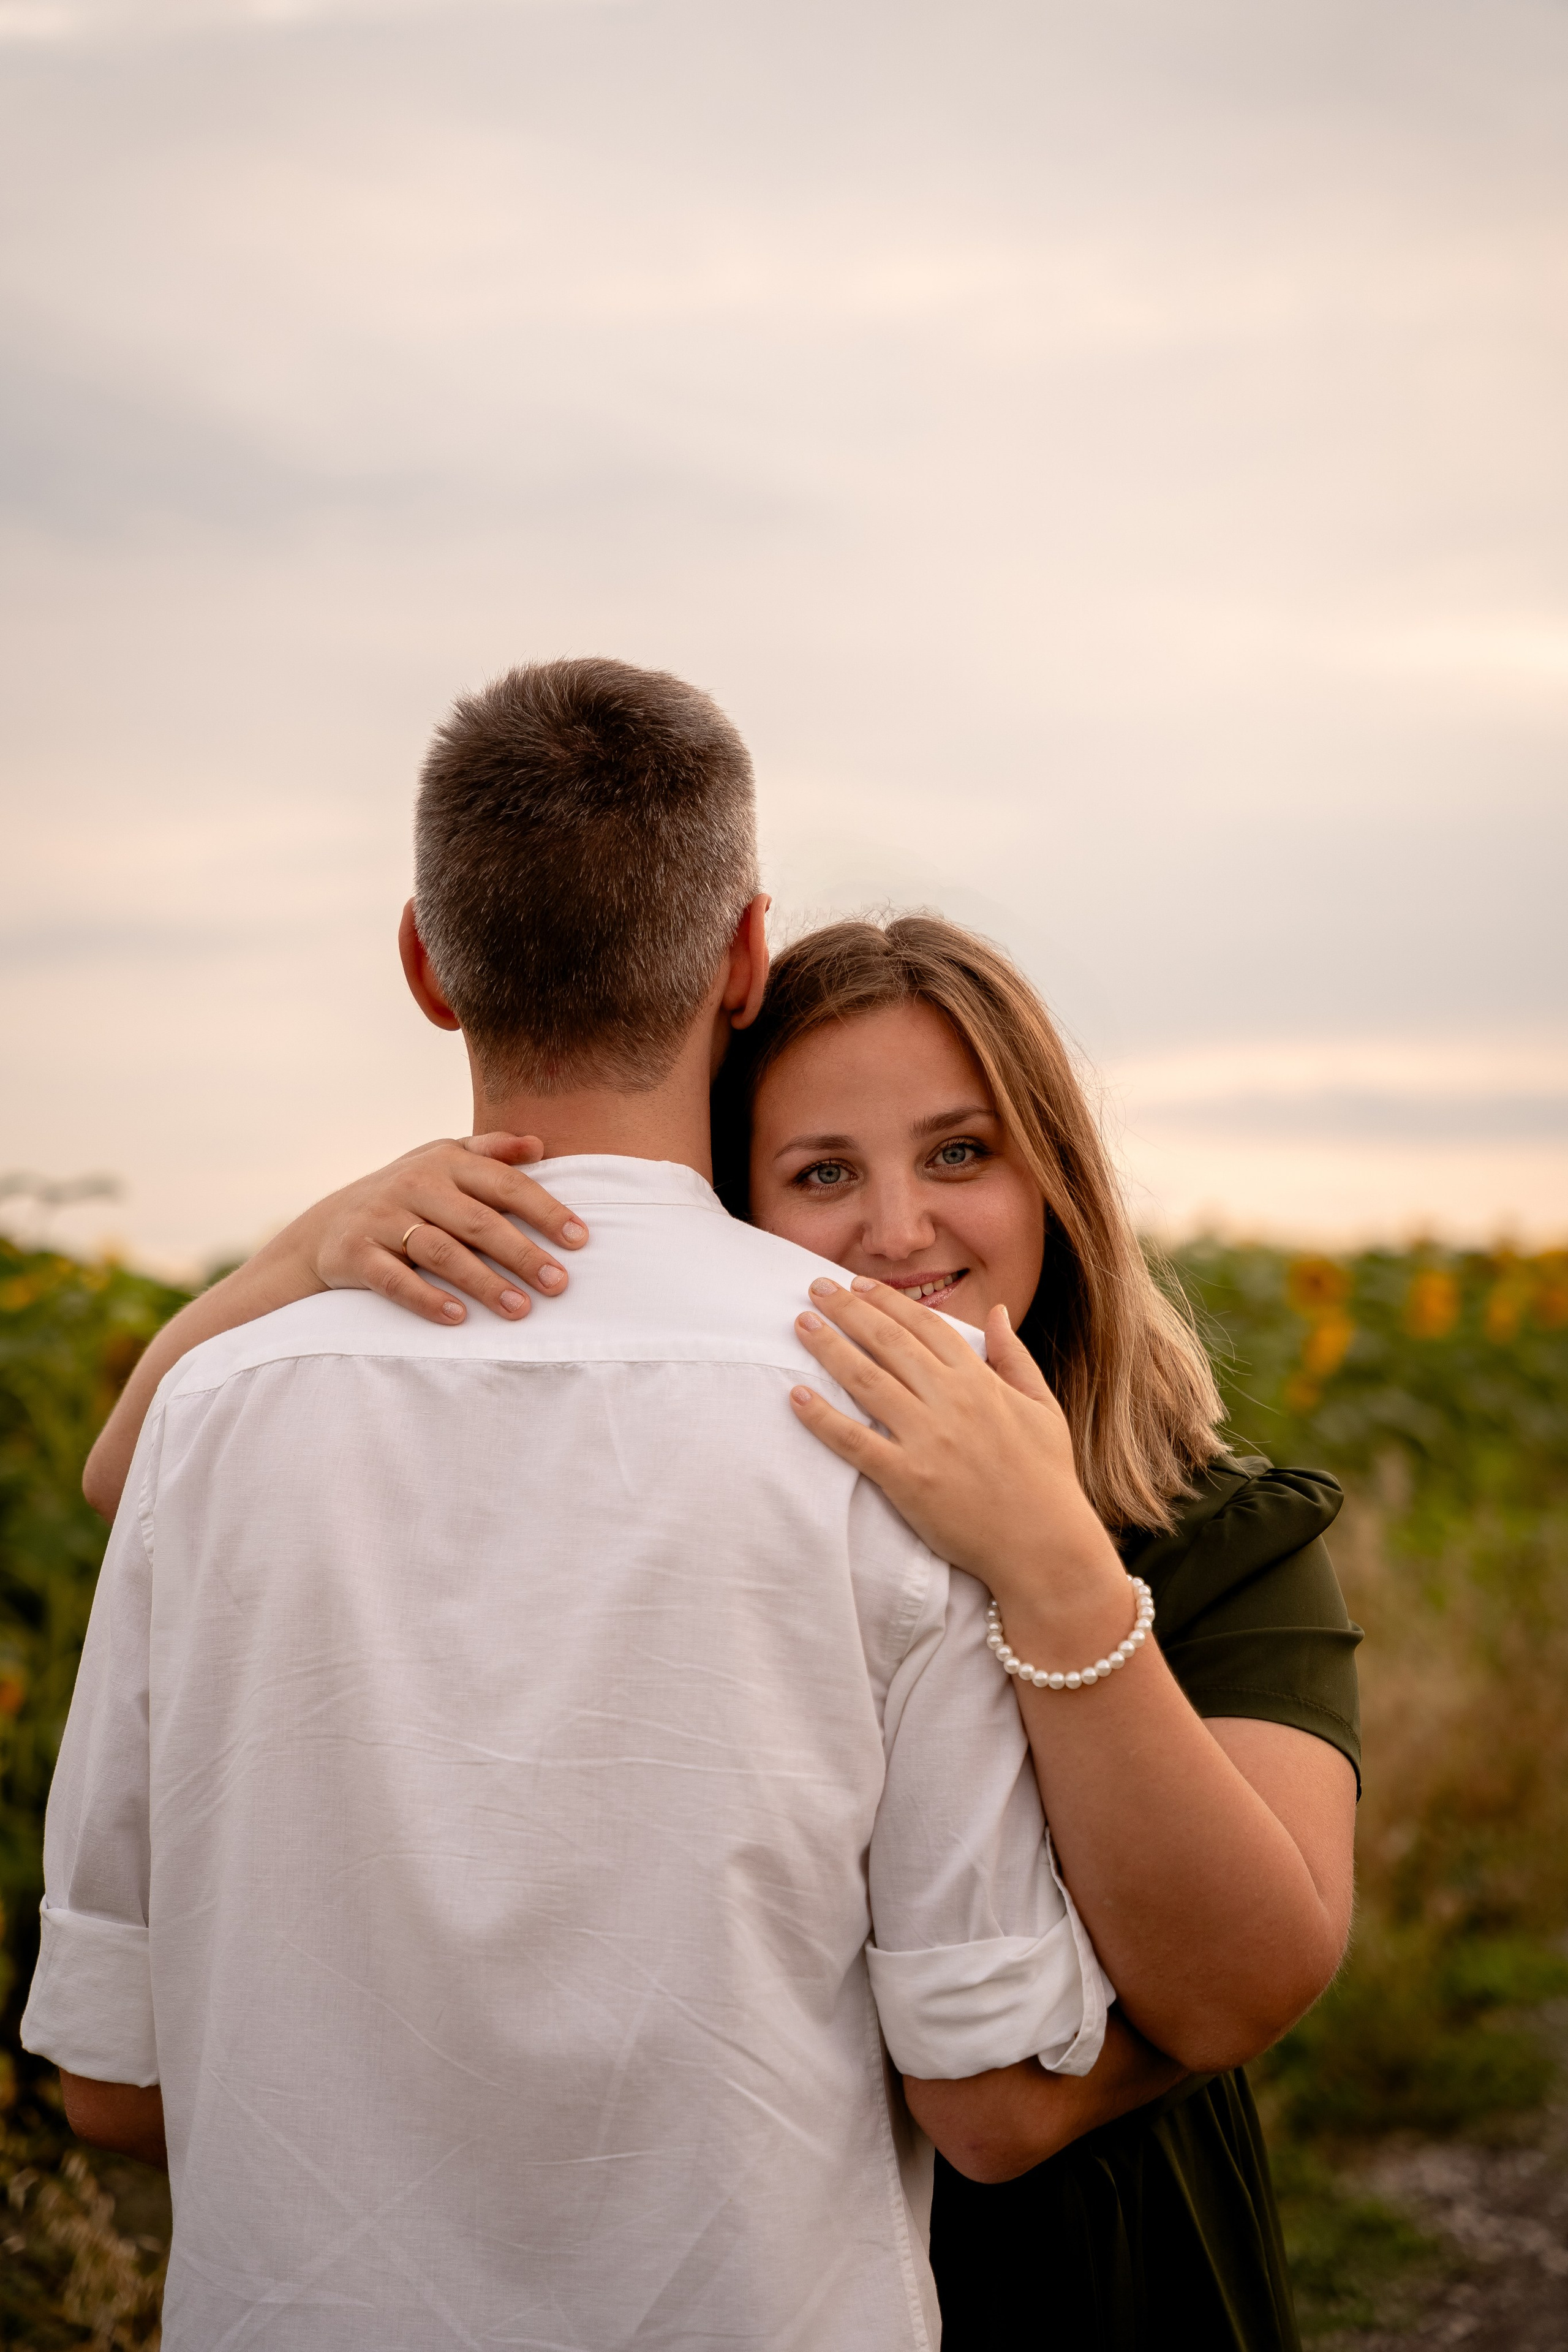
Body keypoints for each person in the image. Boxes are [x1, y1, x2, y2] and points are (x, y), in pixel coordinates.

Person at [23, 657, 1133, 2351]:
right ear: (747, 959)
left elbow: (106, 2084)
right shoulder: (891, 1409)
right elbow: (981, 2065)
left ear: (424, 963)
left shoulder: (214, 1419)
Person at [84, 892, 1361, 2348]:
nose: (897, 1230)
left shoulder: (1217, 1531)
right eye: (821, 1173)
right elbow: (136, 1476)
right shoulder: (751, 1492)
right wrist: (308, 1251)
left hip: (1092, 2273)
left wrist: (1055, 1566)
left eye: (959, 1153)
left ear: (1054, 1177)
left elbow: (1251, 1977)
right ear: (733, 1215)